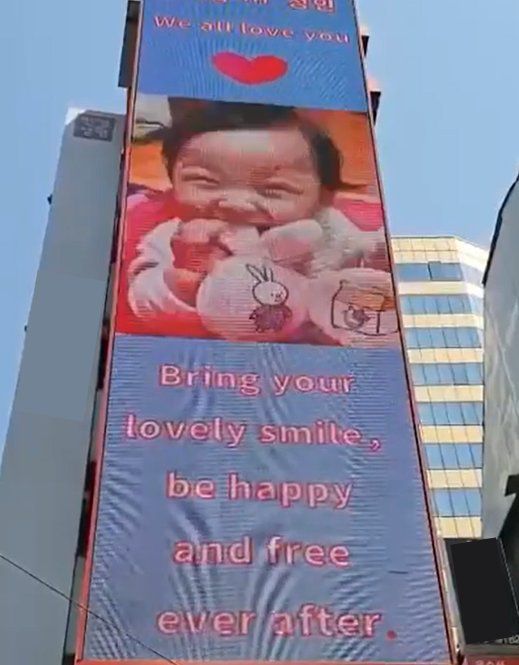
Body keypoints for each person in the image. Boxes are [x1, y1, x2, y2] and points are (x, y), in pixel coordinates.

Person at [120, 101, 390, 344]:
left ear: (324, 196)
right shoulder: (177, 237)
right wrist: (185, 281)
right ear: (173, 180)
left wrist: (377, 256)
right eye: (205, 182)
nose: (235, 204)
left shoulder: (327, 227)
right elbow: (144, 302)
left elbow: (358, 256)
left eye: (272, 190)